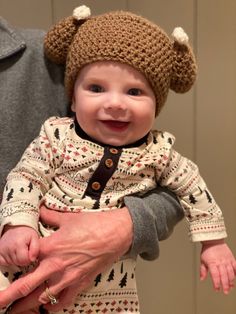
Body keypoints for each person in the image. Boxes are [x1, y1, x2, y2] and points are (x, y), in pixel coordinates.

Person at [0, 6, 235, 314]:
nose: (114, 103)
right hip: (25, 268)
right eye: (96, 88)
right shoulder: (55, 137)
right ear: (73, 98)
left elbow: (193, 190)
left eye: (135, 92)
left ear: (157, 105)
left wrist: (213, 244)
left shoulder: (160, 152)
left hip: (111, 294)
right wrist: (17, 224)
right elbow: (25, 177)